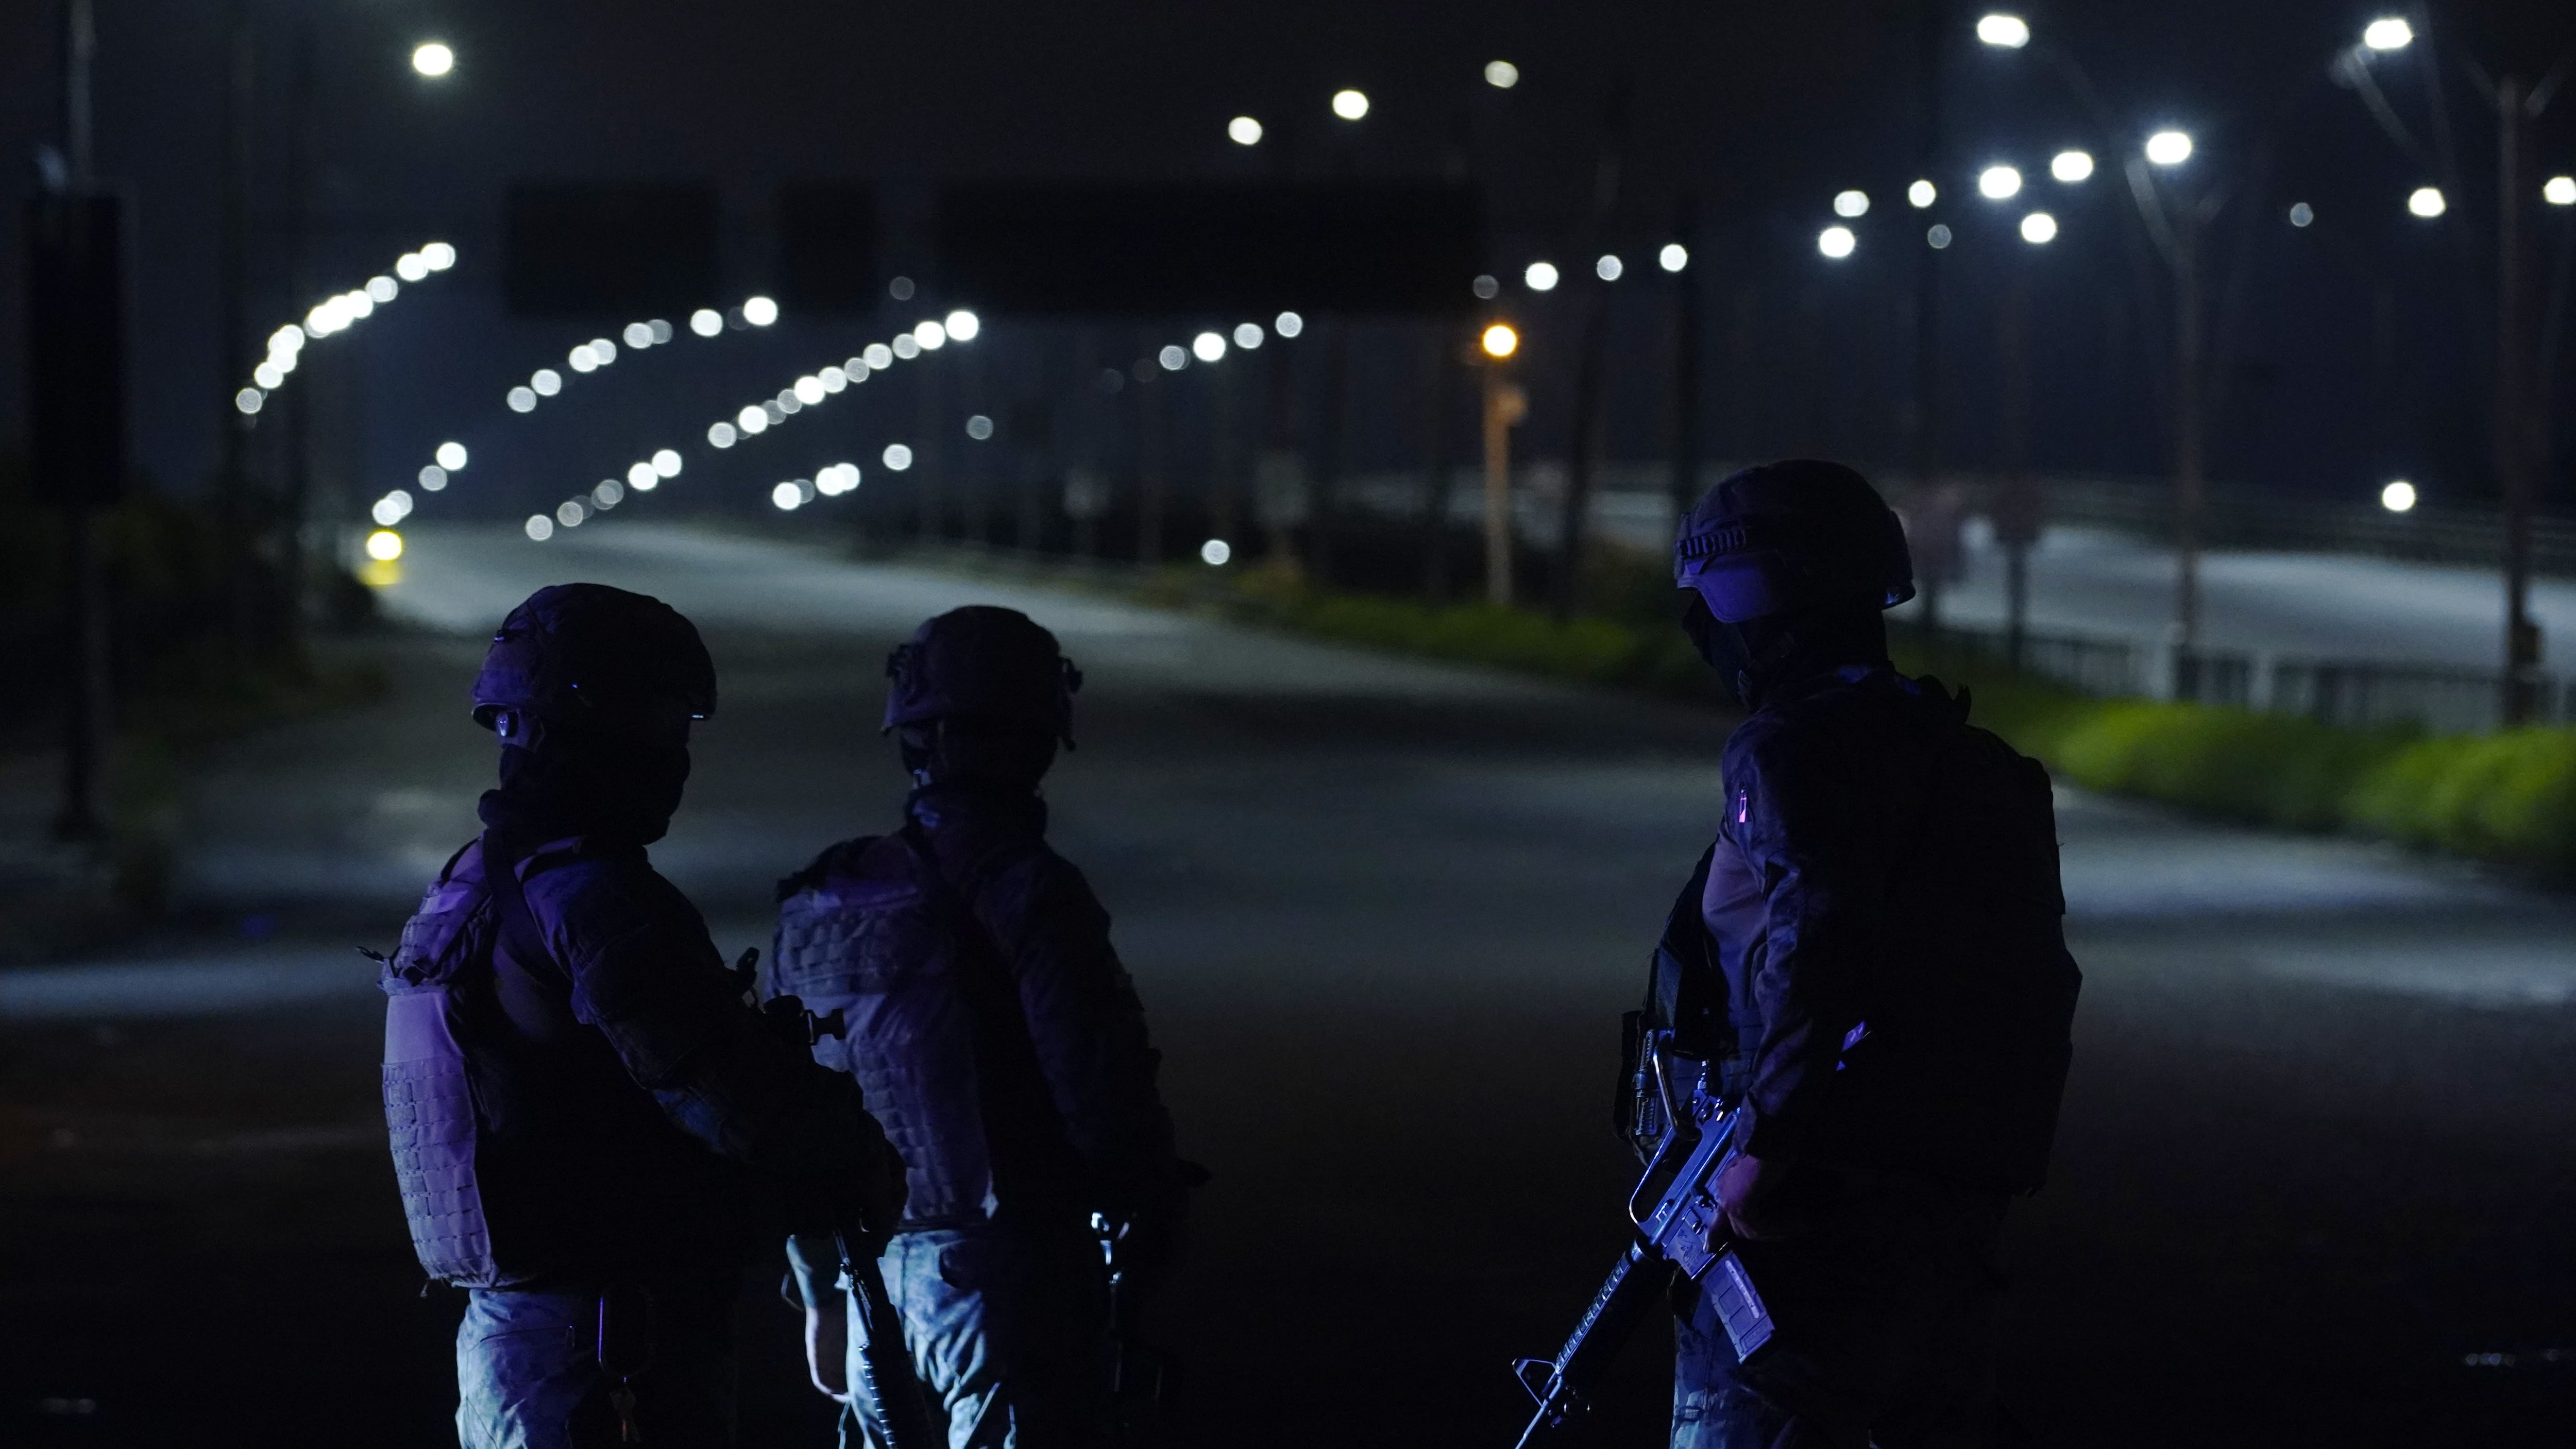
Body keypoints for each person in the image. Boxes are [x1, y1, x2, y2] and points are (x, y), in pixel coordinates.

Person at [378, 583, 905, 1449]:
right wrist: (853, 1150)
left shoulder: (470, 884)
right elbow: (738, 1103)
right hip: (611, 1358)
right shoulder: (592, 899)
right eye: (667, 723)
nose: (677, 757)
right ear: (606, 721)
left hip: (521, 1346)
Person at [1635, 462, 2082, 1447]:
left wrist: (1763, 1153)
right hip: (1945, 1210)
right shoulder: (1968, 757)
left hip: (1802, 1223)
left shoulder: (1788, 748)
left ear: (1746, 597)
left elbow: (1819, 944)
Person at [767, 605, 1193, 1448]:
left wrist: (819, 1292)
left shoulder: (825, 893)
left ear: (912, 735)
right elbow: (1098, 1095)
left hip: (868, 1280)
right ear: (1039, 738)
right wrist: (1151, 1203)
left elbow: (791, 1114)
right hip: (1007, 1278)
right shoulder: (1030, 887)